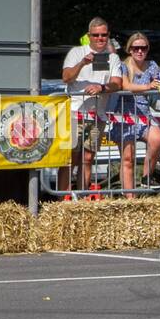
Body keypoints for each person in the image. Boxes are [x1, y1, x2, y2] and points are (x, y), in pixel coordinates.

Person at [61, 17, 124, 192]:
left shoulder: (113, 58)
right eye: (96, 35)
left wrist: (101, 87)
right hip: (74, 113)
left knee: (87, 158)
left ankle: (81, 198)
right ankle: (61, 202)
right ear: (89, 36)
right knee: (69, 160)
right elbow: (66, 77)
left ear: (108, 35)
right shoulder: (76, 52)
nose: (100, 38)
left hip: (97, 115)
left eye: (103, 35)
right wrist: (82, 63)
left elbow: (117, 83)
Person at [117, 32, 160, 197]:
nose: (140, 51)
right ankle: (130, 199)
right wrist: (148, 86)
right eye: (136, 48)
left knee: (157, 138)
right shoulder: (123, 66)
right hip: (125, 114)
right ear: (130, 49)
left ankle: (146, 177)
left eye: (143, 48)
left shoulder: (152, 65)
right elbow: (125, 86)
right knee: (128, 159)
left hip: (144, 114)